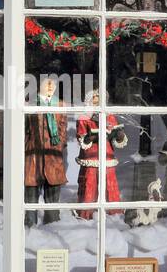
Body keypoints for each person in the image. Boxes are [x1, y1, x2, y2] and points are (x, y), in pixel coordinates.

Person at [75, 90, 127, 219]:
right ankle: (86, 212)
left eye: (99, 98)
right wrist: (90, 138)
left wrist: (119, 136)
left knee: (110, 182)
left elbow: (116, 136)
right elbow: (81, 137)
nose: (97, 101)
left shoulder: (109, 116)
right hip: (91, 155)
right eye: (94, 98)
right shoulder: (84, 117)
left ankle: (114, 213)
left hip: (106, 154)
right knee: (90, 182)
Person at [24, 75, 66, 225]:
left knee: (53, 201)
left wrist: (59, 144)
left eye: (52, 84)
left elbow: (62, 128)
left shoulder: (60, 105)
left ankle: (52, 228)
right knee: (30, 199)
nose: (50, 87)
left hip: (53, 157)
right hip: (33, 156)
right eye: (47, 84)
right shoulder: (30, 105)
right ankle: (29, 228)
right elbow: (22, 129)